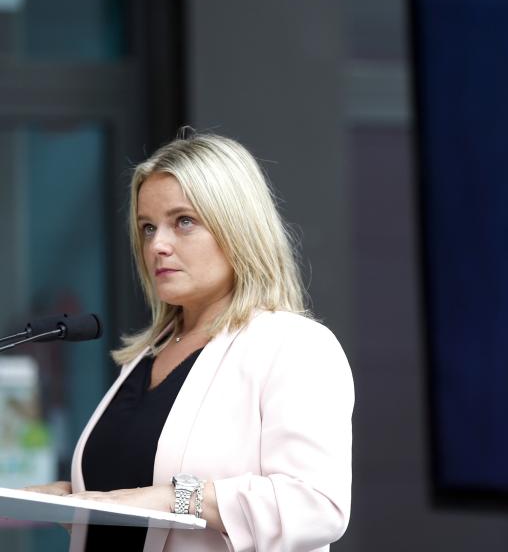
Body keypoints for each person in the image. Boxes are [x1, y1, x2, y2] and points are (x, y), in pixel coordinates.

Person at [24, 130, 354, 552]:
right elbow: (143, 487)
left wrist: (174, 499)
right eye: (147, 228)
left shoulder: (295, 346)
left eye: (183, 222)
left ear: (238, 228)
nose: (157, 245)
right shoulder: (146, 355)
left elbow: (317, 504)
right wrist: (77, 501)